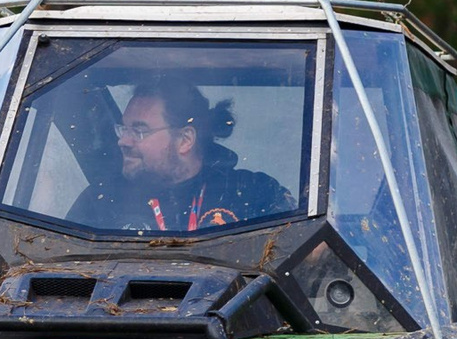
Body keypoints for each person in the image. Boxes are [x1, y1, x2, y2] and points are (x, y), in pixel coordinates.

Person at [70, 78, 291, 233]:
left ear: (185, 139)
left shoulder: (256, 194)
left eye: (139, 131)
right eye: (123, 130)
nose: (124, 141)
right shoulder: (101, 201)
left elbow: (307, 260)